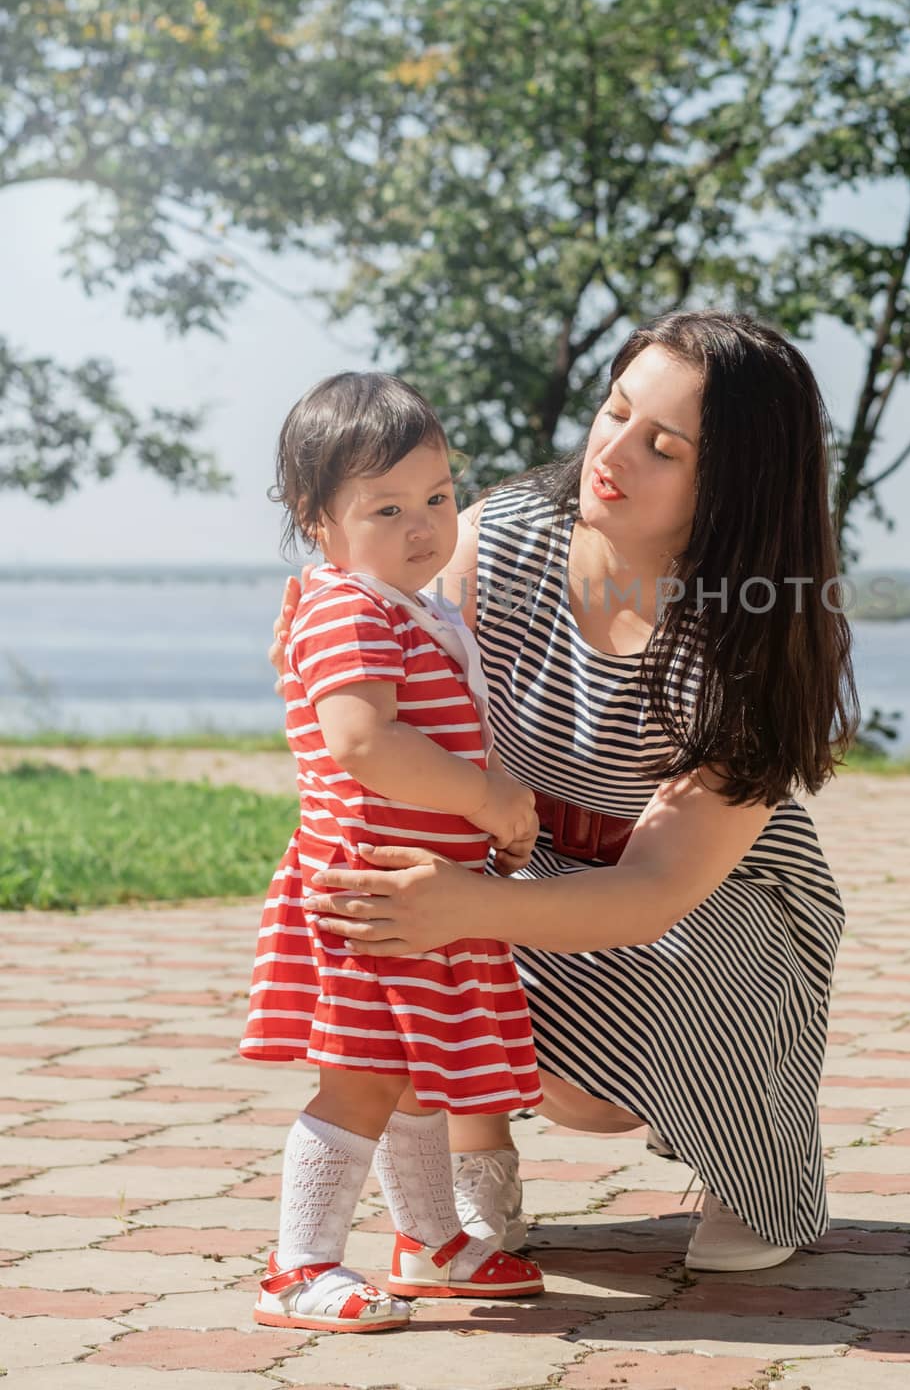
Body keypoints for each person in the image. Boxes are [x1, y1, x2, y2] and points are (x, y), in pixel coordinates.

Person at [271, 312, 858, 1272]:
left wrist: (468, 903)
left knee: (651, 979)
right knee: (417, 927)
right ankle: (471, 1181)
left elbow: (655, 891)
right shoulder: (498, 540)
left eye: (663, 446)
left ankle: (750, 1172)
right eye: (614, 411)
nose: (612, 453)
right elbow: (383, 683)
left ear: (735, 482)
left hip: (707, 900)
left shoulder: (755, 635)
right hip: (514, 843)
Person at [242, 371, 547, 1334]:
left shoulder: (411, 606)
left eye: (438, 499)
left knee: (416, 1073)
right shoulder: (349, 609)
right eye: (386, 507)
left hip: (424, 893)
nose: (423, 527)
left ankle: (431, 1243)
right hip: (369, 891)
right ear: (316, 518)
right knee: (365, 1077)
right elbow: (364, 743)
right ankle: (299, 1266)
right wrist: (491, 797)